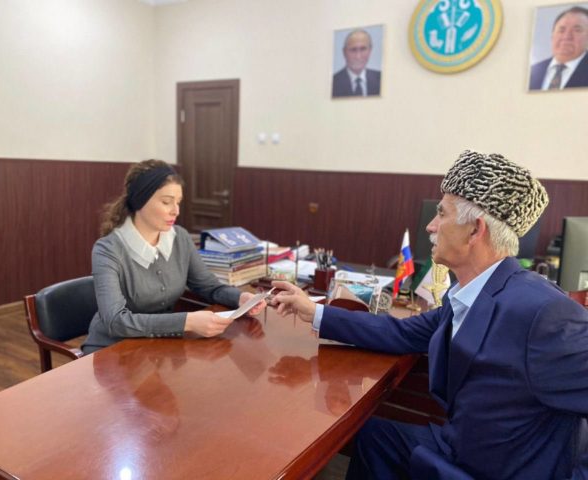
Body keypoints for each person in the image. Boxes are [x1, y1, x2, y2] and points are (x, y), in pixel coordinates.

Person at [272, 150, 588, 479]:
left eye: (441, 214)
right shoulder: (467, 294)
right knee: (374, 436)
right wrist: (314, 311)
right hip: (459, 448)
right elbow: (402, 333)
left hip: (498, 471)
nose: (430, 226)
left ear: (475, 231)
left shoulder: (545, 312)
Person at [82, 159, 265, 354]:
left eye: (178, 202)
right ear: (140, 200)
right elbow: (115, 321)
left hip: (158, 346)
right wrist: (187, 322)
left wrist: (241, 298)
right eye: (166, 202)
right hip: (112, 350)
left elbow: (208, 286)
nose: (175, 211)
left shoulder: (180, 237)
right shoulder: (107, 249)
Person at [529, 6, 588, 90]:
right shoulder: (531, 72)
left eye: (577, 30)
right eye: (561, 30)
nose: (567, 37)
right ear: (552, 35)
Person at [332, 29, 381, 97]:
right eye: (353, 50)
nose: (358, 56)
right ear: (344, 52)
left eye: (363, 49)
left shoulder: (381, 79)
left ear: (370, 50)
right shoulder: (333, 82)